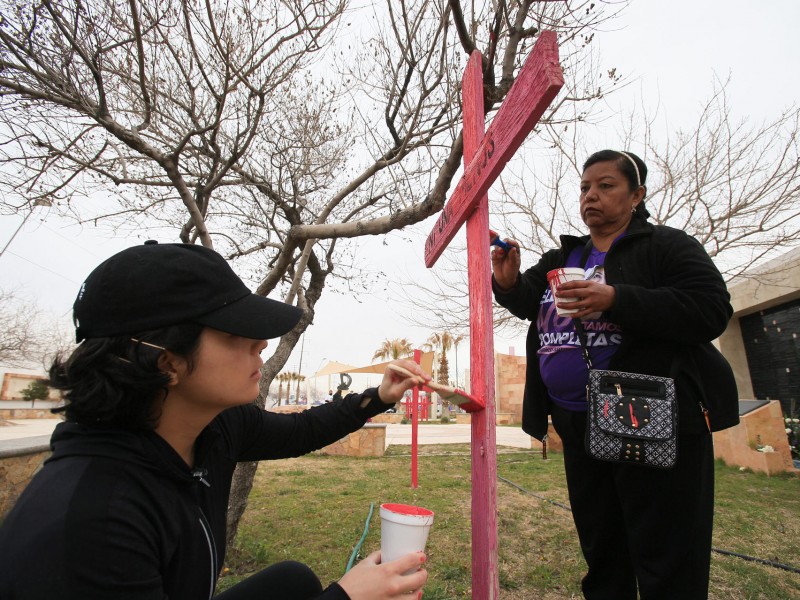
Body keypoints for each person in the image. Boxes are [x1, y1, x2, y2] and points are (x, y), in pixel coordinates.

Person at [0, 241, 431, 600]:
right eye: (234, 333)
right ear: (167, 363)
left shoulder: (214, 426)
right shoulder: (95, 524)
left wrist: (378, 397)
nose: (261, 343)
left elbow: (301, 430)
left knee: (292, 583)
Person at [491, 150, 739, 600]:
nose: (591, 195)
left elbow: (712, 309)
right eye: (585, 187)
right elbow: (532, 301)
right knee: (604, 552)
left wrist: (616, 299)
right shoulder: (565, 254)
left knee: (667, 556)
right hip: (578, 423)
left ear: (636, 195)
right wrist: (508, 284)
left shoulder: (666, 246)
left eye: (606, 186)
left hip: (650, 418)